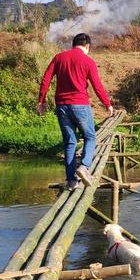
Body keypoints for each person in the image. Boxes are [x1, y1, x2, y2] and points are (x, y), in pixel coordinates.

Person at [37, 32, 114, 190]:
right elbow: (97, 86)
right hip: (80, 105)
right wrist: (107, 104)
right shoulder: (88, 61)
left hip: (61, 106)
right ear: (87, 46)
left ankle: (71, 181)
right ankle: (84, 167)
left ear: (73, 44)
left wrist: (41, 101)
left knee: (70, 142)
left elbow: (46, 78)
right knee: (90, 137)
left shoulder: (59, 58)